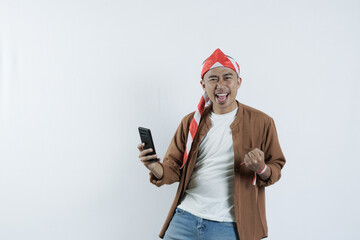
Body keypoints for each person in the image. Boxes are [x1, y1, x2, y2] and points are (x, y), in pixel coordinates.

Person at [137, 48, 286, 240]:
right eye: (213, 79)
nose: (221, 85)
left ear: (238, 82)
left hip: (229, 226)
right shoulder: (191, 122)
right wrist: (153, 166)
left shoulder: (262, 122)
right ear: (203, 84)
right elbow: (173, 170)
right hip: (185, 219)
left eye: (227, 77)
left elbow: (275, 169)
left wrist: (261, 168)